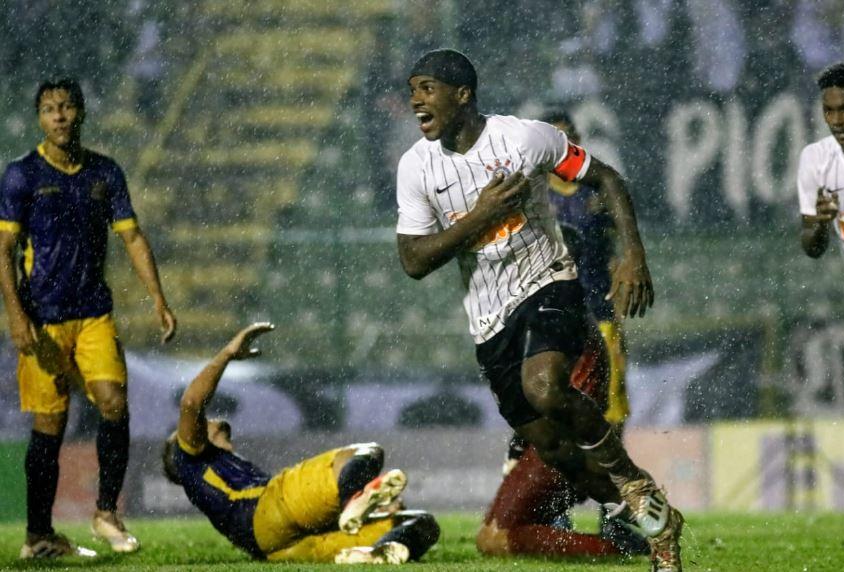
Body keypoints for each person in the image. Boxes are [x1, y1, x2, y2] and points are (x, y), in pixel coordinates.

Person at [396, 49, 683, 571]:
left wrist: (634, 257)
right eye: (413, 89)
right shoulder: (415, 167)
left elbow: (608, 180)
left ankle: (634, 482)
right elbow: (414, 260)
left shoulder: (524, 139)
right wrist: (480, 215)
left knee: (545, 387)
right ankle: (644, 514)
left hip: (549, 281)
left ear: (462, 95)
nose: (416, 98)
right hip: (489, 318)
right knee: (552, 448)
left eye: (427, 88)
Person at [0, 78, 177, 558]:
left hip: (93, 312)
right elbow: (4, 250)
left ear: (81, 113)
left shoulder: (104, 173)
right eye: (48, 109)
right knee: (49, 425)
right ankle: (39, 536)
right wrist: (15, 315)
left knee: (114, 403)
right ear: (40, 118)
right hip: (43, 319)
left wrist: (157, 299)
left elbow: (133, 238)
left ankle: (105, 514)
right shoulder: (22, 175)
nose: (57, 116)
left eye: (66, 107)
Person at [161, 323, 440, 564]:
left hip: (277, 548)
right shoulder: (190, 459)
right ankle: (354, 499)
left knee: (420, 523)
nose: (204, 422)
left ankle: (372, 553)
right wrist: (228, 354)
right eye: (190, 430)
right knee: (364, 454)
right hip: (266, 512)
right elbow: (191, 403)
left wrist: (377, 512)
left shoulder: (221, 474)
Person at [542, 109, 629, 428]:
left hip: (597, 309)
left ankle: (616, 474)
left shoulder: (598, 194)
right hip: (552, 317)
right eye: (554, 140)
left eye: (569, 139)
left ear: (579, 143)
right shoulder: (532, 197)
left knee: (609, 402)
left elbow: (617, 252)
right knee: (557, 406)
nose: (562, 147)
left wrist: (620, 289)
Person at [798, 62, 844, 317]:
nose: (836, 121)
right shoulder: (815, 159)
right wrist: (821, 224)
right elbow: (811, 247)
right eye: (829, 111)